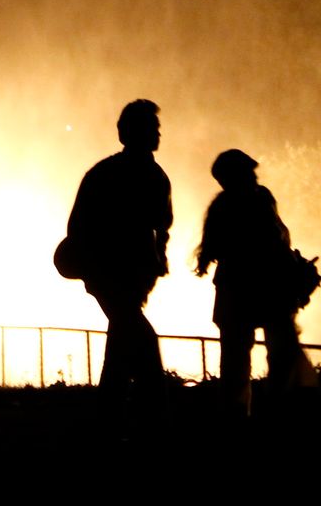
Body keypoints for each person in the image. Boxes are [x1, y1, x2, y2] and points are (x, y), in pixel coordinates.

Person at [66, 99, 173, 409]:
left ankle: (112, 416)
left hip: (107, 276)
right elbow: (161, 225)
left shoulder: (102, 173)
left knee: (122, 345)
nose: (157, 134)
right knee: (142, 342)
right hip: (123, 276)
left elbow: (77, 226)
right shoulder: (154, 177)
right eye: (152, 128)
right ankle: (153, 413)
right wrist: (156, 260)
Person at [194, 149, 304, 416]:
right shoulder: (261, 199)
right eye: (250, 171)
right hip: (269, 289)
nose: (255, 176)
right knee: (280, 356)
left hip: (235, 291)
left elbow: (214, 247)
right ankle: (281, 412)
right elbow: (278, 239)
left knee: (235, 364)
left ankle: (237, 418)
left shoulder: (221, 206)